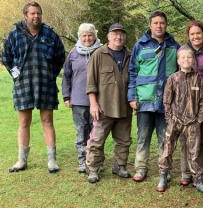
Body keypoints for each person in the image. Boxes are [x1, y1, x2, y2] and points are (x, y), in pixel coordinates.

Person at [2, 1, 65, 173]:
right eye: (32, 13)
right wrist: (17, 76)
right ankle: (21, 160)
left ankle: (52, 160)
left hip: (46, 84)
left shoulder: (50, 34)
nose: (36, 16)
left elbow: (60, 56)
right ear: (25, 15)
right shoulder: (15, 34)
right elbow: (6, 57)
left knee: (47, 121)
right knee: (24, 122)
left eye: (38, 13)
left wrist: (51, 74)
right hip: (24, 85)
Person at [128, 11, 179, 182]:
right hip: (144, 101)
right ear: (150, 25)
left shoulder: (174, 46)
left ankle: (165, 168)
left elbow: (180, 74)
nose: (159, 26)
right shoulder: (140, 46)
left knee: (165, 137)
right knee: (143, 136)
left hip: (166, 101)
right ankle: (141, 168)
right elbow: (132, 72)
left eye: (162, 23)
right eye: (155, 23)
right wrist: (132, 97)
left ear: (166, 25)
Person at [156, 47, 203, 197]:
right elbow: (166, 101)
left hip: (193, 122)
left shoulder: (198, 79)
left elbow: (202, 100)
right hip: (175, 121)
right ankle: (163, 176)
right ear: (178, 60)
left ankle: (198, 180)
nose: (186, 60)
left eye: (189, 57)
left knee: (194, 152)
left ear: (193, 60)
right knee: (167, 148)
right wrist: (169, 118)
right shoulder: (173, 78)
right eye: (183, 58)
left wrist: (200, 117)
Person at [85, 23, 132, 183]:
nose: (118, 37)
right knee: (97, 140)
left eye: (121, 34)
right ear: (108, 36)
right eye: (115, 34)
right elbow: (91, 83)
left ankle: (120, 166)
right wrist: (93, 104)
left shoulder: (130, 55)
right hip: (103, 107)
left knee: (124, 140)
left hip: (125, 107)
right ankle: (93, 168)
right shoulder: (98, 54)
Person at [179, 21, 203, 186]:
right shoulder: (181, 51)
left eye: (198, 33)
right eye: (192, 34)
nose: (196, 36)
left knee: (202, 139)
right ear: (188, 36)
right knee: (186, 138)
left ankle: (198, 172)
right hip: (186, 102)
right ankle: (185, 173)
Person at [62, 23, 102, 173]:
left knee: (96, 133)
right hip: (78, 100)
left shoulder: (101, 51)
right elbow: (66, 76)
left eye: (90, 35)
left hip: (99, 101)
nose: (87, 38)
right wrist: (67, 96)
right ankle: (82, 161)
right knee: (81, 132)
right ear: (80, 36)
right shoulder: (73, 53)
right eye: (84, 35)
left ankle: (97, 160)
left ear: (95, 36)